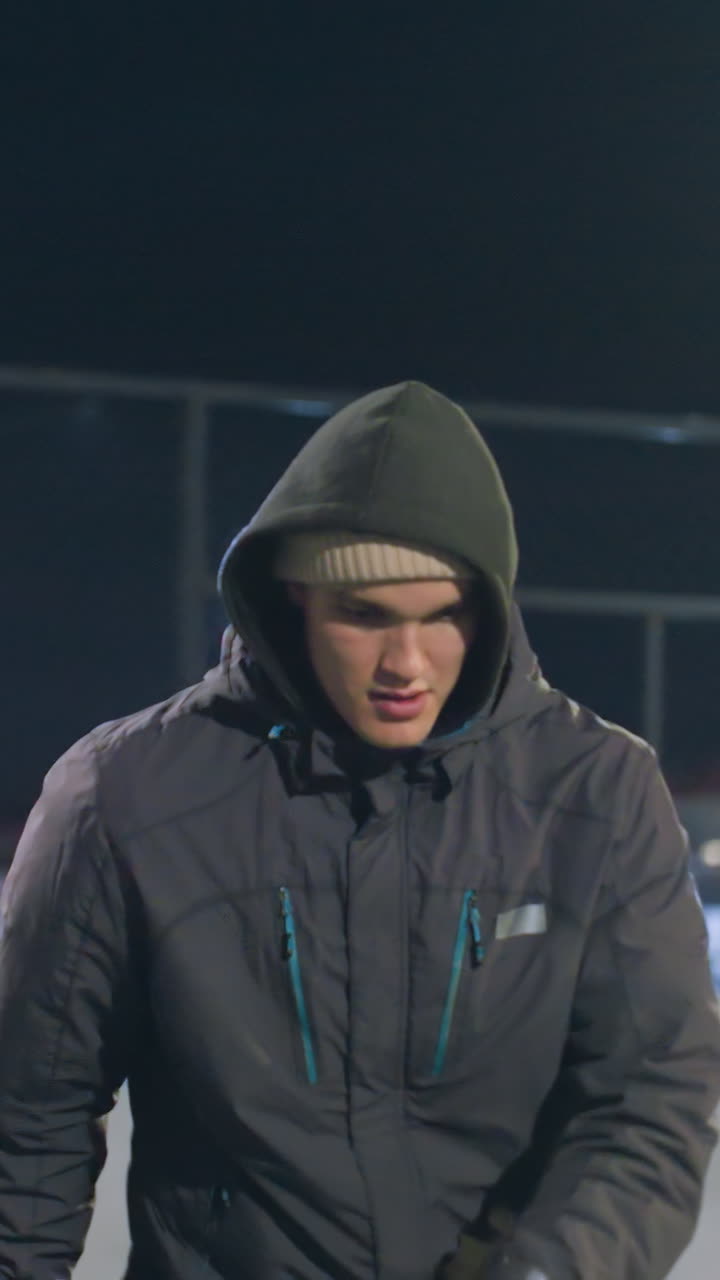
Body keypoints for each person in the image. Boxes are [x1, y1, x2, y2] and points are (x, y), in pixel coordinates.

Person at [1, 380, 719, 1280]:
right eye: (365, 615)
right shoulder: (124, 794)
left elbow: (647, 1101)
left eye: (444, 614)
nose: (407, 664)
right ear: (292, 602)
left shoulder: (595, 791)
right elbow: (28, 1117)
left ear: (489, 607)